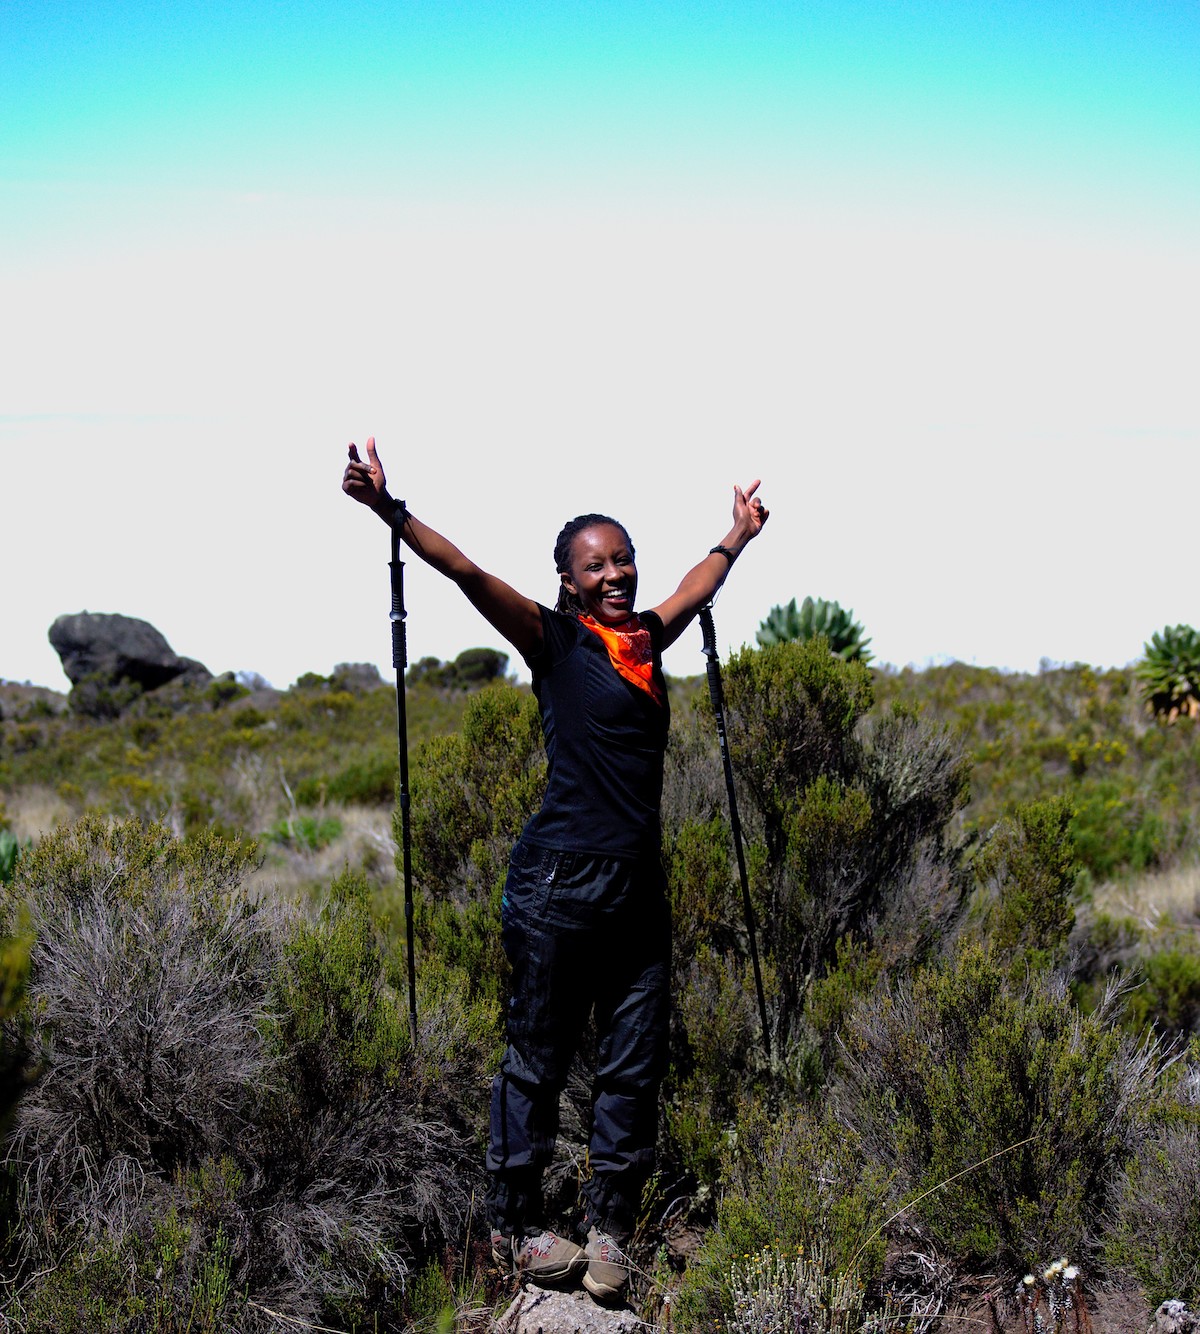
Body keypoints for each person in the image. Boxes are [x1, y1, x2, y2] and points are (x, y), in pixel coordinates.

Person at [342, 438, 768, 1303]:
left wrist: (738, 536)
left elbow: (698, 587)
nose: (617, 575)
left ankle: (610, 1229)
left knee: (632, 1063)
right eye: (596, 566)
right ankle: (514, 1227)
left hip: (636, 891)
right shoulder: (556, 641)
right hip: (557, 887)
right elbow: (464, 571)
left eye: (624, 560)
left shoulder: (647, 640)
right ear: (570, 582)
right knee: (535, 1060)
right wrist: (390, 510)